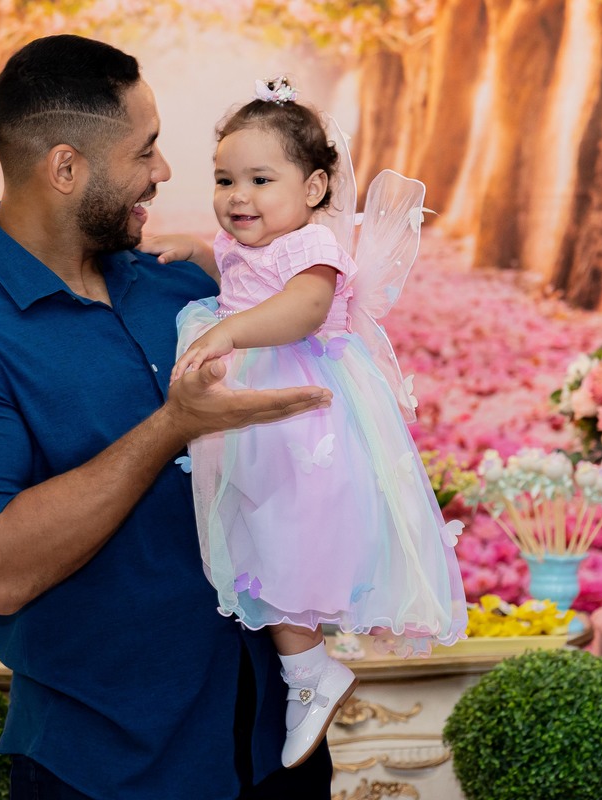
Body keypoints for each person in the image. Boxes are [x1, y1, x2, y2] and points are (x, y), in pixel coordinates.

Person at [0, 37, 337, 800]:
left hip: (274, 753)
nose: (164, 172)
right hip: (105, 772)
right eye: (145, 150)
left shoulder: (184, 286)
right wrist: (171, 427)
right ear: (66, 168)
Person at [140, 77, 469, 769]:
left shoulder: (312, 248)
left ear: (315, 187)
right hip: (258, 411)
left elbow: (302, 310)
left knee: (283, 534)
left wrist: (228, 332)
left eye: (260, 180)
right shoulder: (256, 243)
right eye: (225, 180)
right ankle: (309, 670)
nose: (238, 196)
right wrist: (198, 253)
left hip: (301, 406)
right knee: (255, 533)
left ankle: (310, 672)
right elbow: (239, 272)